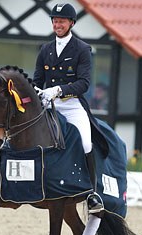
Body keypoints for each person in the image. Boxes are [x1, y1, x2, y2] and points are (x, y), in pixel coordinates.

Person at [33, 3, 104, 214]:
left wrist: (58, 90)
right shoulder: (45, 49)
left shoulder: (82, 49)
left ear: (71, 23)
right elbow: (37, 79)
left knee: (85, 142)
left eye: (61, 21)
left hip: (71, 105)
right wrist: (38, 91)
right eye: (54, 20)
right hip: (48, 104)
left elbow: (84, 83)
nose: (57, 24)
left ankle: (92, 193)